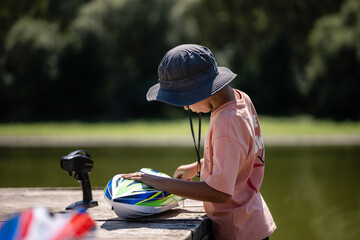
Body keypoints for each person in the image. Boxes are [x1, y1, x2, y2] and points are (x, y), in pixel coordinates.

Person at [123, 44, 276, 240]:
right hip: (252, 220)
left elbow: (220, 192)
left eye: (183, 100)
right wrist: (196, 167)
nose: (185, 106)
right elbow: (237, 156)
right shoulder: (240, 99)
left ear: (198, 90)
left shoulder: (226, 123)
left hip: (238, 231)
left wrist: (161, 183)